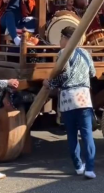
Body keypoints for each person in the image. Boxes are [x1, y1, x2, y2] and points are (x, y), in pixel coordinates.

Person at [43, 26, 97, 179]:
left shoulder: (63, 53)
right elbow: (92, 73)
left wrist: (50, 84)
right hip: (84, 97)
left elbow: (63, 76)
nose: (60, 41)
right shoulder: (86, 53)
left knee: (72, 134)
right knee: (87, 134)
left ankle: (78, 166)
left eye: (61, 38)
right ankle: (90, 168)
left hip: (68, 98)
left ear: (66, 38)